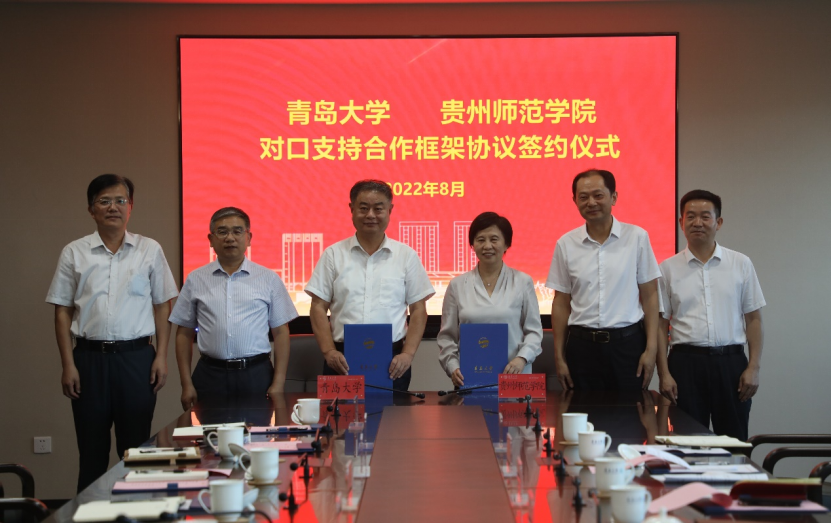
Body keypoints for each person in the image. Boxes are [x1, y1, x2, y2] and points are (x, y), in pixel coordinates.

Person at [46, 174, 178, 492]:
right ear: (91, 209)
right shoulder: (74, 252)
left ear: (130, 207)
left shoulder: (149, 249)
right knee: (91, 453)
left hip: (137, 360)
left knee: (136, 452)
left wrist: (161, 356)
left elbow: (163, 305)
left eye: (120, 200)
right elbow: (62, 311)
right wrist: (68, 364)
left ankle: (138, 509)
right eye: (104, 201)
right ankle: (88, 510)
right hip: (88, 360)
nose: (113, 207)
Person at [305, 180, 435, 392]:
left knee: (393, 414)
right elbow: (318, 307)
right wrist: (329, 351)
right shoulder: (333, 254)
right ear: (352, 209)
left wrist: (408, 354)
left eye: (378, 209)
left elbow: (418, 309)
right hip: (341, 359)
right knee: (340, 414)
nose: (371, 215)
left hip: (392, 362)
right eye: (364, 208)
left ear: (390, 210)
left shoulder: (406, 256)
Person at [656, 190, 765, 441]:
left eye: (705, 216)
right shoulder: (667, 268)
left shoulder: (740, 264)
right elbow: (661, 326)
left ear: (719, 222)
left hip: (731, 365)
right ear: (681, 222)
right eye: (690, 216)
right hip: (685, 365)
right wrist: (664, 374)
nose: (698, 223)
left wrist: (754, 367)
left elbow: (754, 320)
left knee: (734, 443)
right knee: (687, 442)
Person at [170, 207, 298, 411]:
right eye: (222, 232)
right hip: (210, 375)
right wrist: (186, 384)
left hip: (256, 374)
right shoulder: (196, 279)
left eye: (237, 231)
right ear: (211, 239)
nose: (230, 238)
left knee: (256, 430)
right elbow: (184, 333)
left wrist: (278, 382)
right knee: (210, 430)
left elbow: (281, 333)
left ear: (249, 238)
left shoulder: (268, 279)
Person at [546, 169, 661, 391]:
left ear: (613, 197)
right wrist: (559, 357)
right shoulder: (566, 243)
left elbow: (650, 296)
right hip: (581, 347)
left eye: (598, 195)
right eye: (583, 197)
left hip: (627, 346)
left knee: (630, 411)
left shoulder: (637, 237)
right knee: (582, 411)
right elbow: (560, 303)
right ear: (575, 201)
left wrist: (651, 349)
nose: (591, 202)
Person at [437, 212, 543, 386]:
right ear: (472, 244)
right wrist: (452, 366)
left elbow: (534, 331)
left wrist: (522, 359)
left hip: (515, 376)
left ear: (506, 243)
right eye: (480, 240)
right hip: (470, 377)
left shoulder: (523, 282)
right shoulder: (457, 285)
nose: (487, 246)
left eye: (494, 239)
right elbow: (447, 336)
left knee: (515, 406)